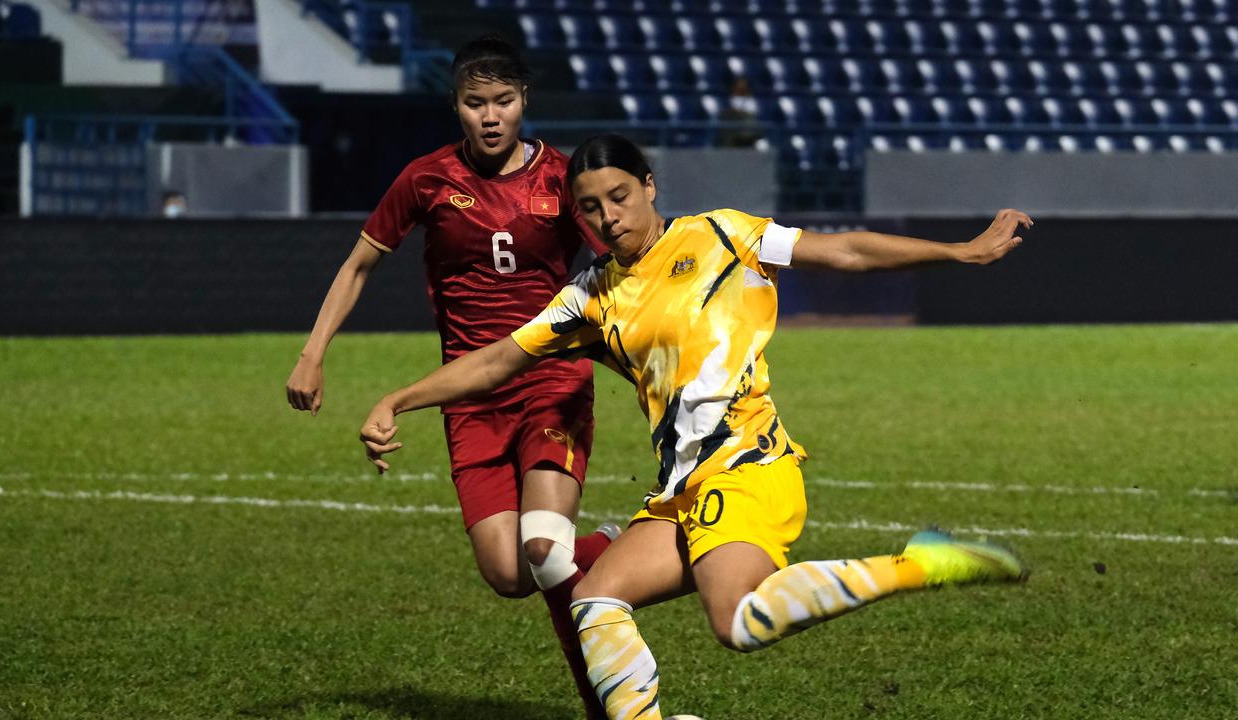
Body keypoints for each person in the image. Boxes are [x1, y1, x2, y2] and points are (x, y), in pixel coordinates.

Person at [359, 133, 1035, 719]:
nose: (607, 217)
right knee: (593, 604)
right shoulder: (590, 293)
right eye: (590, 207)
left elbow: (847, 250)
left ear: (650, 186)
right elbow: (501, 360)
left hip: (749, 471)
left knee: (738, 623)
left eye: (619, 196)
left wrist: (962, 251)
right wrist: (399, 399)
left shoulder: (721, 235)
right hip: (683, 491)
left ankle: (916, 564)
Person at [285, 37, 617, 718]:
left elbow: (624, 266)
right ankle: (612, 545)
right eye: (475, 102)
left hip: (553, 386)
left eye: (503, 100)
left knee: (546, 553)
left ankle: (611, 705)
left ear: (524, 101)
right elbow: (358, 267)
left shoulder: (562, 178)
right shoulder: (427, 179)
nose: (491, 115)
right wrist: (312, 353)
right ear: (456, 107)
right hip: (468, 398)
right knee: (506, 573)